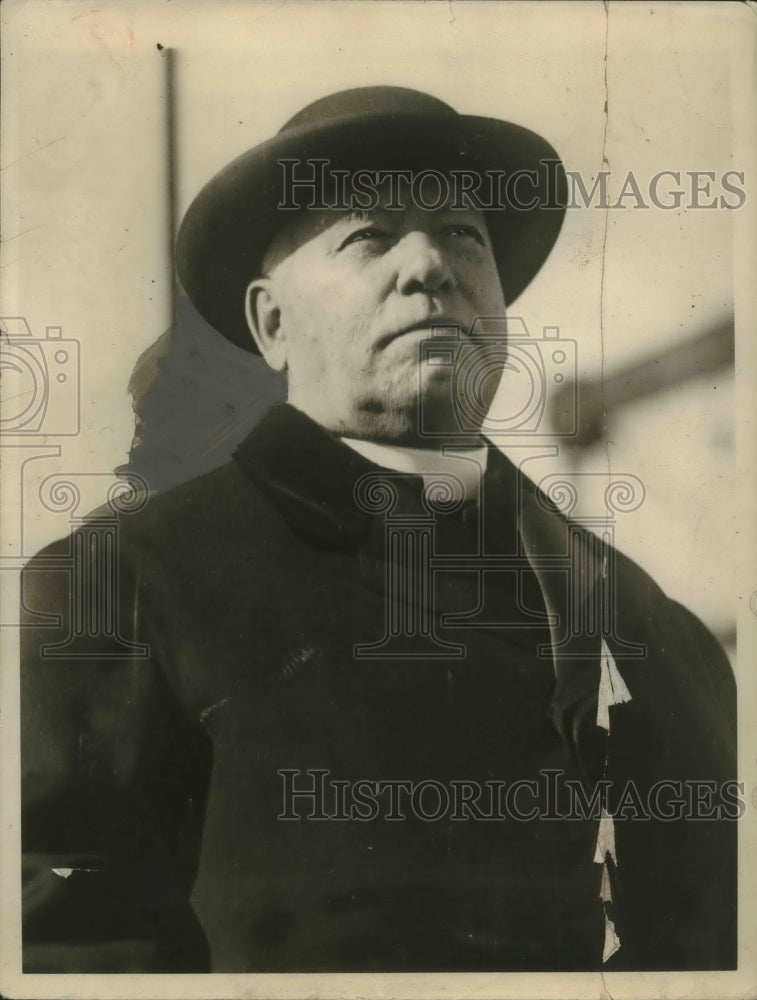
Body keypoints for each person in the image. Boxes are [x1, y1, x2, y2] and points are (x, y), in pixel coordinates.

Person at [20, 86, 736, 974]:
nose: (428, 264)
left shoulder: (646, 623)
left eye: (462, 235)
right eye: (369, 235)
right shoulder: (118, 587)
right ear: (271, 323)